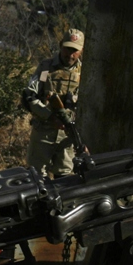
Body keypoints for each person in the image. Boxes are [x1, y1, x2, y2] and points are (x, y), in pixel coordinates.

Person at [21, 28, 85, 177]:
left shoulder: (85, 73)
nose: (70, 54)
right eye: (67, 48)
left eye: (74, 50)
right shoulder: (46, 69)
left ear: (81, 51)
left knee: (64, 178)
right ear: (61, 45)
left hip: (68, 136)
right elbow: (31, 95)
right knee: (35, 177)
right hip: (44, 132)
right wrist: (50, 117)